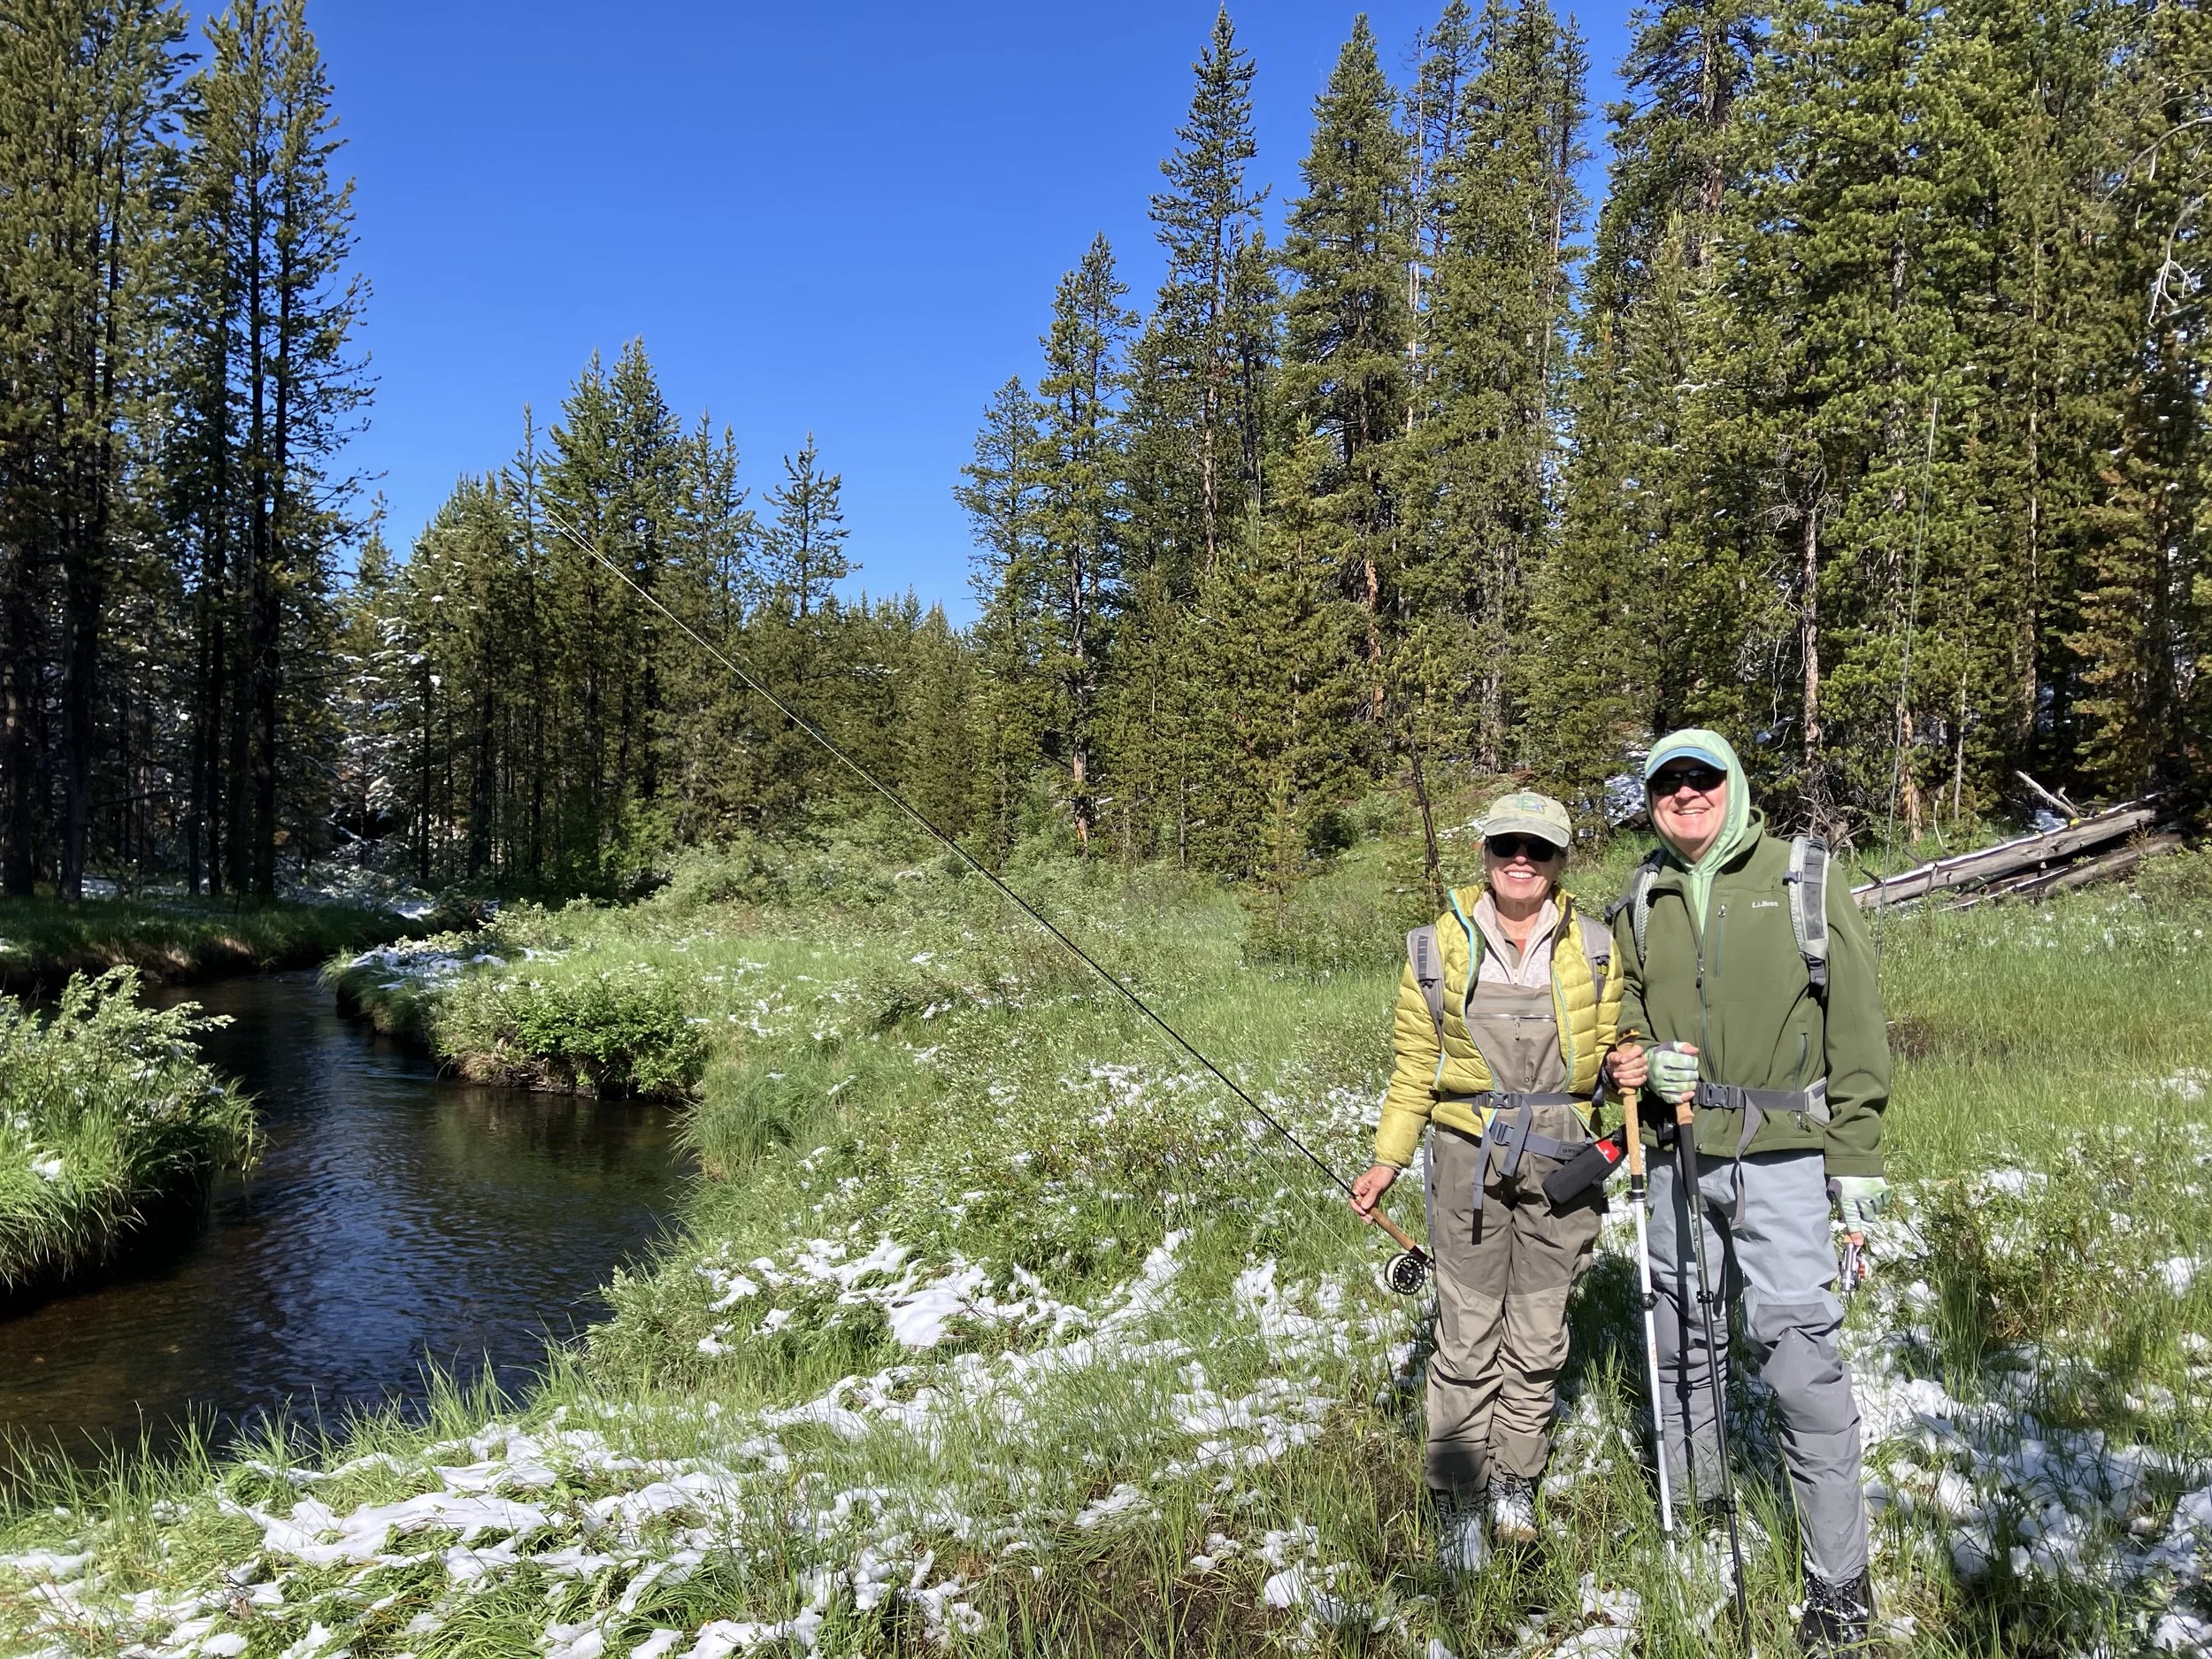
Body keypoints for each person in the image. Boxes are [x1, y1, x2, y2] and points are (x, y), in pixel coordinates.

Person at [1602, 729, 1892, 1656]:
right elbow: (1624, 1007)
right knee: (1683, 1333)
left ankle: (1840, 1579)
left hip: (1783, 1155)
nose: (1685, 794)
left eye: (1702, 778)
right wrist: (1639, 1058)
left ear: (1732, 784)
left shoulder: (1803, 876)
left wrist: (1856, 1155)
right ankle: (1699, 1503)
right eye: (1667, 782)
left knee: (1801, 1359)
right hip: (1676, 1149)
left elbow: (1856, 1022)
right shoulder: (1643, 896)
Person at [1349, 789, 1637, 1573]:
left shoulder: (1597, 946)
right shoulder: (1433, 948)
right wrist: (1386, 1160)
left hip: (1565, 1162)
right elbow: (1415, 1067)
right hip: (1467, 1159)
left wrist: (1627, 1064)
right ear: (1484, 852)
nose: (1521, 859)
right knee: (1467, 1336)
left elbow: (1619, 1047)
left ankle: (1515, 1481)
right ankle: (1457, 1496)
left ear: (1560, 860)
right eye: (1508, 844)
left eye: (1538, 848)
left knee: (1539, 1336)